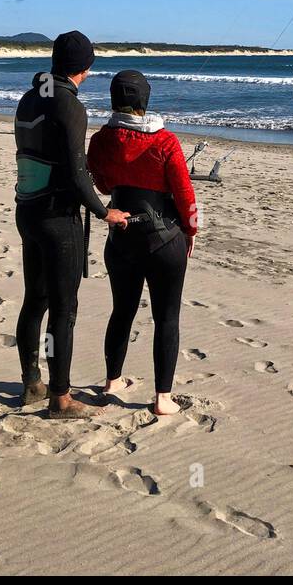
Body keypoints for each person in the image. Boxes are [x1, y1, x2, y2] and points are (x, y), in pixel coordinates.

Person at [14, 31, 130, 419]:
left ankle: (32, 382)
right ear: (86, 68)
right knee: (64, 309)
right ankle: (60, 398)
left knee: (35, 300)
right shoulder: (69, 105)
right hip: (57, 218)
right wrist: (104, 211)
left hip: (27, 211)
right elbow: (78, 173)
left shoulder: (30, 98)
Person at [87, 70, 198, 416]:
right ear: (144, 101)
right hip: (165, 239)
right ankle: (163, 397)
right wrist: (191, 231)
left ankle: (112, 381)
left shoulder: (101, 140)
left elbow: (104, 187)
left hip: (122, 239)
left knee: (122, 310)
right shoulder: (165, 141)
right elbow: (184, 193)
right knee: (167, 317)